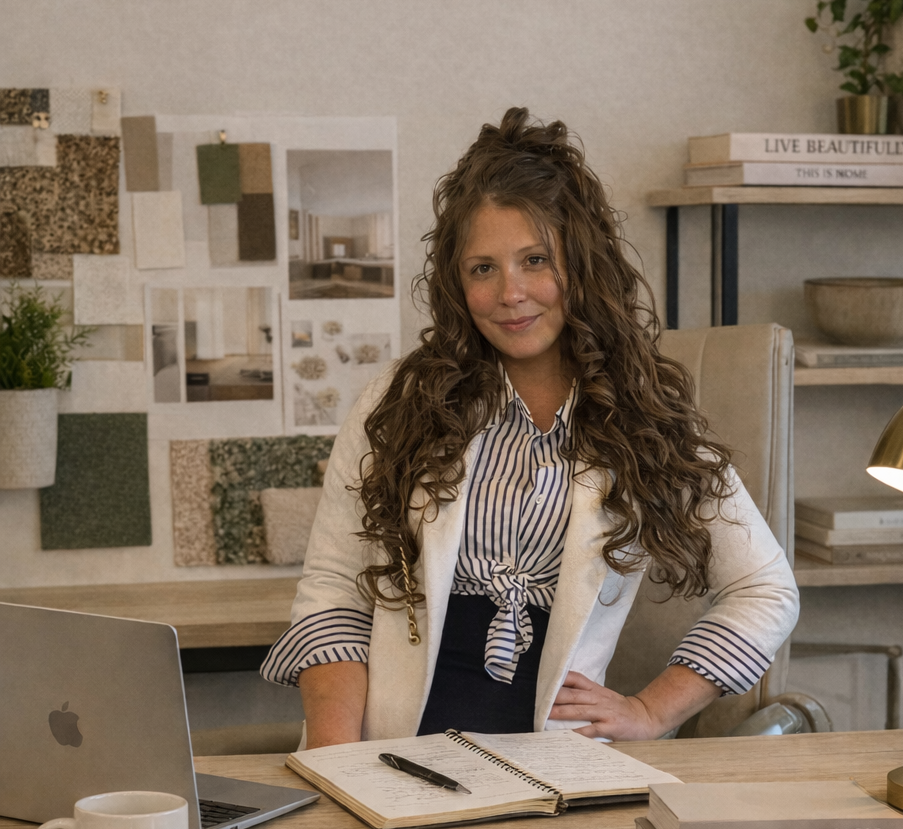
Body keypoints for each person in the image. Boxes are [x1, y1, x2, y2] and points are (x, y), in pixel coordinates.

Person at [262, 108, 799, 747]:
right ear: (457, 284)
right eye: (482, 268)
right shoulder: (397, 402)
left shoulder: (646, 418)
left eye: (536, 260)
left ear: (582, 263)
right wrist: (335, 760)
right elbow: (333, 591)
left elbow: (765, 590)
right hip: (392, 753)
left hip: (557, 766)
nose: (510, 293)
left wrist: (653, 712)